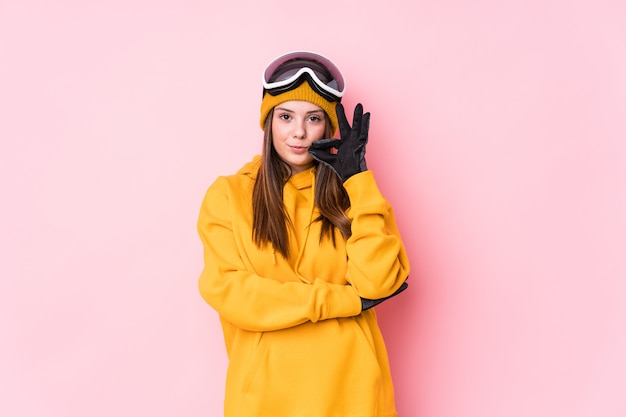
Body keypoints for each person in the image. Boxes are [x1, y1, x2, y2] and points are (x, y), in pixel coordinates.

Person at [197, 51, 410, 417]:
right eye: (285, 117)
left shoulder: (353, 196)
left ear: (328, 128)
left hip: (351, 393)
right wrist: (344, 302)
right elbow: (232, 293)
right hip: (265, 400)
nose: (298, 132)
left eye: (313, 118)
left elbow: (377, 284)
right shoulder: (229, 196)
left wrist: (357, 180)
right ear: (268, 123)